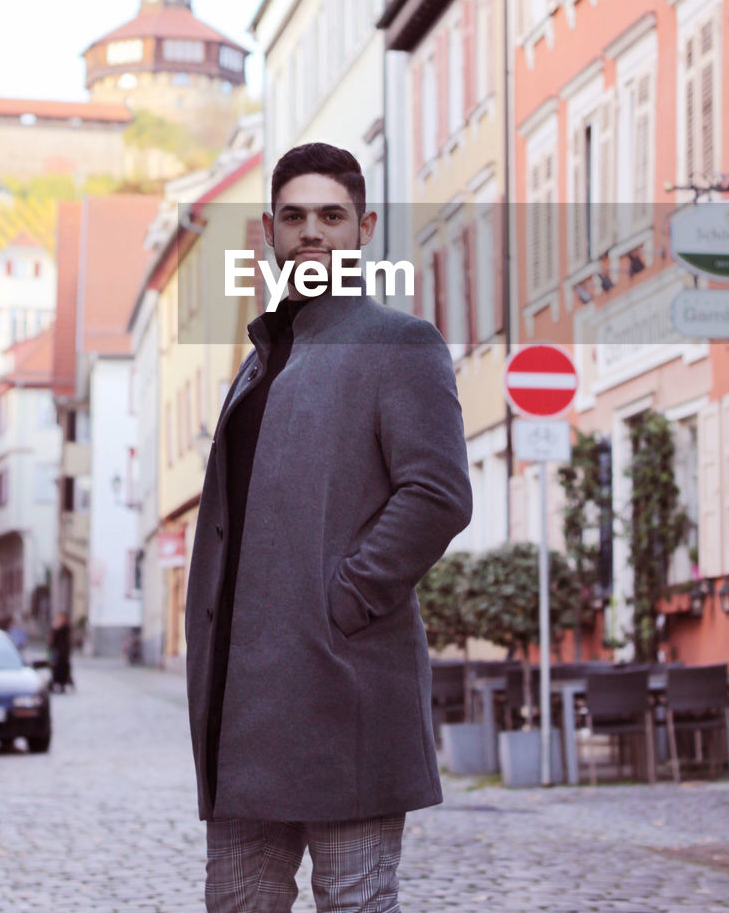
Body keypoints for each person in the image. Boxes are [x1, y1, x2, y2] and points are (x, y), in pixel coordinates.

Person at [185, 143, 472, 913]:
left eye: (329, 216)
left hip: (346, 693)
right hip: (241, 715)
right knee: (237, 903)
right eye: (293, 216)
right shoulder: (260, 360)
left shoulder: (398, 341)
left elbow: (437, 492)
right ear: (270, 232)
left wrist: (340, 597)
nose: (311, 230)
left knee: (355, 902)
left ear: (362, 227)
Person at [48, 612, 73, 693]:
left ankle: (63, 683)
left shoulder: (65, 627)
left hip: (63, 652)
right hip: (57, 651)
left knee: (62, 668)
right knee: (56, 668)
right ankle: (56, 683)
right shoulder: (58, 626)